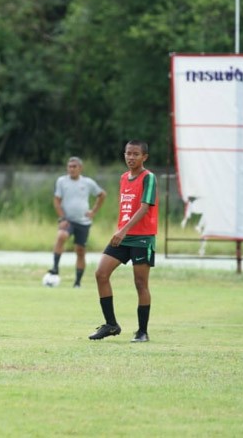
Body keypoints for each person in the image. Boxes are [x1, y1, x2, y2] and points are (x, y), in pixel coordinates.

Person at [88, 140, 158, 343]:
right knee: (101, 273)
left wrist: (123, 230)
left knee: (140, 283)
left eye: (136, 154)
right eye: (128, 153)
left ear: (144, 157)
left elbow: (144, 207)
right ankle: (111, 325)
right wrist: (121, 229)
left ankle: (142, 332)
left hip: (142, 238)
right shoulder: (123, 178)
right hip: (123, 236)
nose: (131, 157)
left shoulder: (149, 177)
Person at [47, 157, 106, 288]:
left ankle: (77, 282)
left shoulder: (87, 182)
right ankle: (55, 268)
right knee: (61, 236)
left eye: (74, 166)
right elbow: (57, 200)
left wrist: (93, 211)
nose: (71, 169)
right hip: (68, 220)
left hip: (83, 222)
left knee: (80, 251)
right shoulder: (62, 181)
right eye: (69, 166)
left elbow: (102, 195)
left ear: (80, 168)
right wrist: (62, 218)